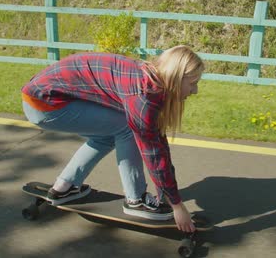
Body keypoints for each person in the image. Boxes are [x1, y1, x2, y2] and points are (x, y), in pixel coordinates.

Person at [21, 45, 205, 233]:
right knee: (126, 127)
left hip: (42, 92)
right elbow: (155, 155)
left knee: (110, 132)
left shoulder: (150, 78)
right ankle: (136, 199)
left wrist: (167, 194)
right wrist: (176, 205)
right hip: (44, 102)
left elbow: (158, 142)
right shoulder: (143, 96)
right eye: (193, 83)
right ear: (176, 77)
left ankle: (64, 186)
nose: (195, 90)